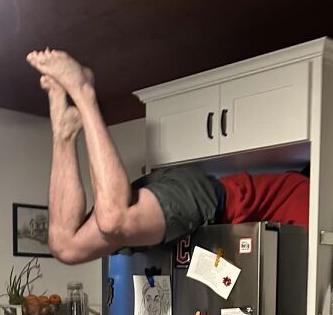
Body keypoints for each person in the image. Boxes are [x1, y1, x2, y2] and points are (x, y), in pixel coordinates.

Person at [26, 49, 309, 264]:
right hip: (210, 201)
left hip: (184, 231)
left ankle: (64, 132)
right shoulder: (309, 194)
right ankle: (83, 93)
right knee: (112, 218)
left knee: (65, 247)